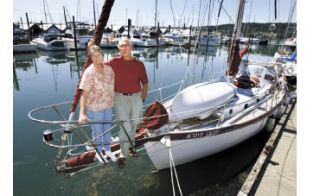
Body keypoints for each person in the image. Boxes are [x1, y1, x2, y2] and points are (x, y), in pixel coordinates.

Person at [88, 37, 148, 168]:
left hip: (136, 98)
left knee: (134, 125)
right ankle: (123, 154)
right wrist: (91, 49)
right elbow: (98, 64)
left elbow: (145, 83)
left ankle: (131, 147)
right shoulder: (114, 62)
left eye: (126, 45)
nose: (124, 48)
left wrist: (142, 99)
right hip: (120, 98)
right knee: (124, 126)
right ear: (118, 48)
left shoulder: (139, 65)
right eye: (121, 46)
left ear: (131, 47)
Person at [78, 45, 116, 163]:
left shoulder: (109, 70)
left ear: (103, 55)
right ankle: (98, 152)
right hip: (95, 108)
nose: (97, 58)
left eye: (99, 55)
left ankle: (108, 149)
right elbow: (84, 94)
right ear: (91, 58)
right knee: (97, 131)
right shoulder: (89, 72)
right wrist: (81, 113)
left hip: (108, 106)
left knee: (107, 129)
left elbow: (112, 88)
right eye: (94, 56)